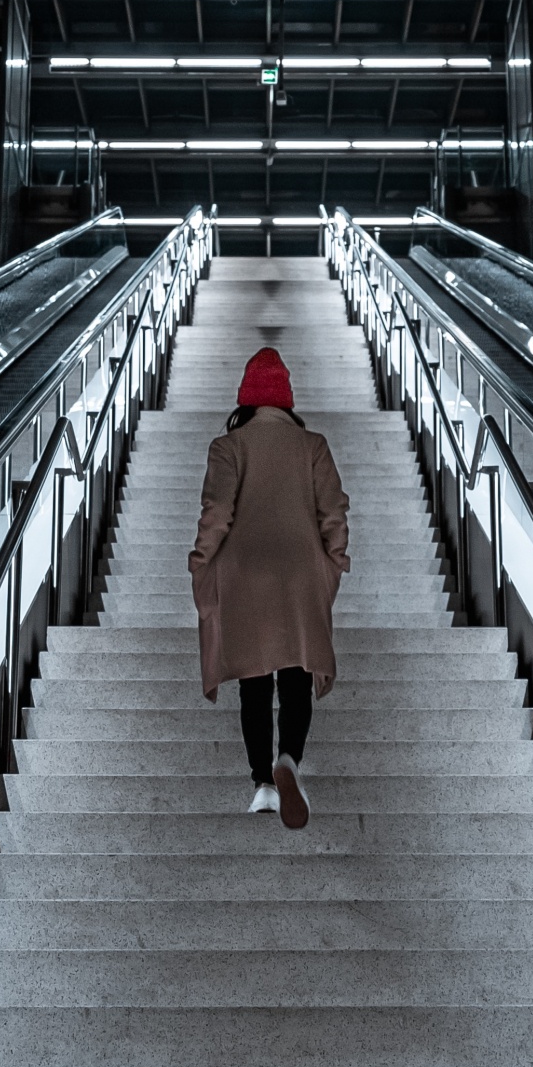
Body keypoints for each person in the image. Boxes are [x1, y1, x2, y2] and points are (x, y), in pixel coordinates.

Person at [188, 344, 350, 828]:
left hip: (244, 575)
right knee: (296, 674)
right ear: (286, 401)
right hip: (301, 573)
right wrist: (332, 566)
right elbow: (334, 515)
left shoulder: (228, 447)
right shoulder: (313, 445)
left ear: (245, 401)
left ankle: (262, 784)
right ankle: (289, 760)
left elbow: (216, 514)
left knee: (254, 684)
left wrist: (201, 564)